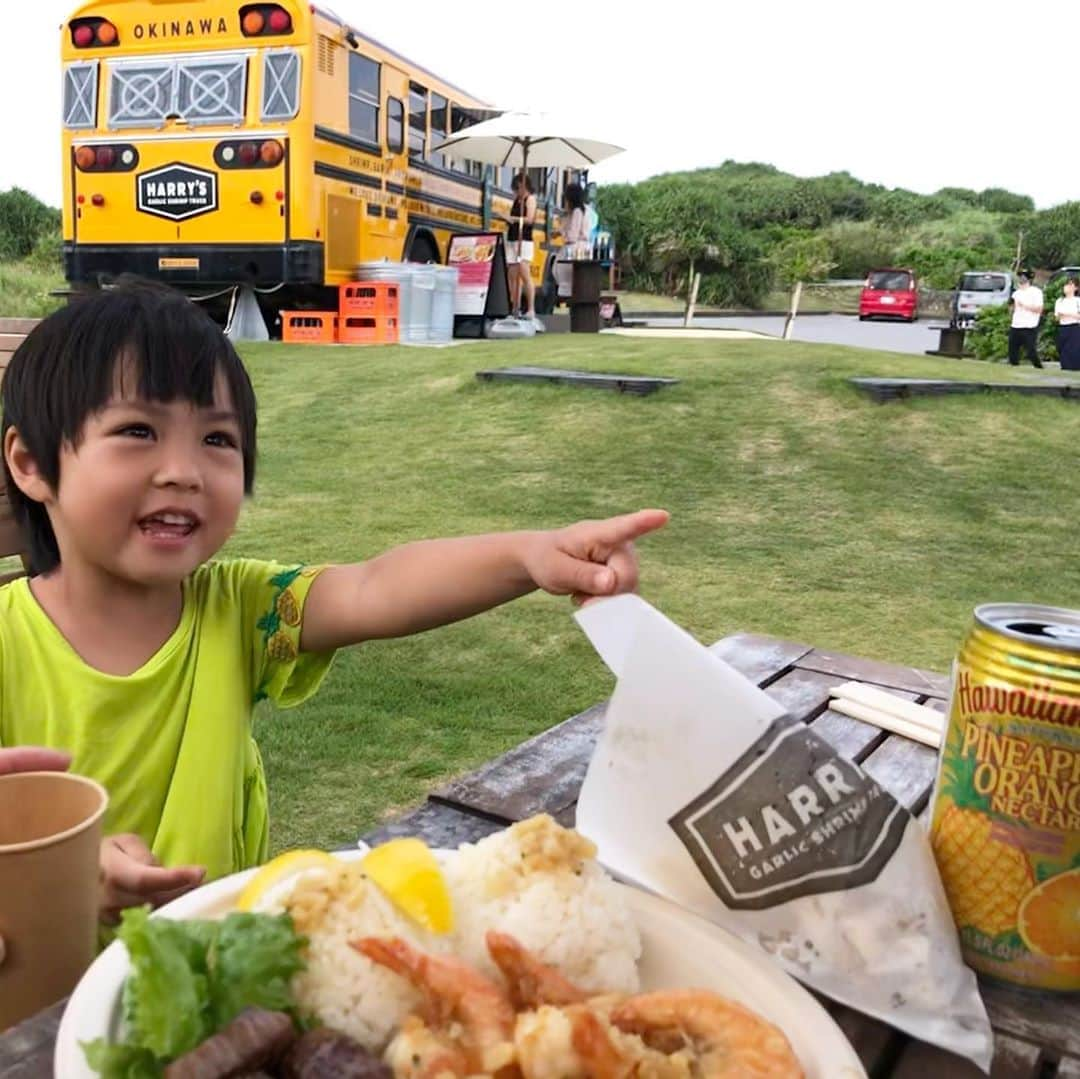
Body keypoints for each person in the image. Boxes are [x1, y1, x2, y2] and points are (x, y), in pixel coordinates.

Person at [0, 281, 667, 923]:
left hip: (213, 970)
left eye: (217, 439)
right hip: (43, 1002)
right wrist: (66, 866)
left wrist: (529, 555)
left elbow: (375, 586)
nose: (184, 470)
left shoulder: (241, 611)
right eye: (138, 431)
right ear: (31, 464)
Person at [505, 173, 543, 331]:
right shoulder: (516, 200)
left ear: (524, 186)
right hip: (513, 238)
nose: (517, 191)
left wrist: (513, 219)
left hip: (524, 240)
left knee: (524, 272)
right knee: (512, 274)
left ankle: (531, 309)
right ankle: (515, 307)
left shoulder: (530, 199)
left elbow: (529, 219)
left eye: (518, 188)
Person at [554, 182, 591, 300]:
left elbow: (572, 236)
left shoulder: (577, 212)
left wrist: (561, 233)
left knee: (568, 277)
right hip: (579, 247)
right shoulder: (578, 212)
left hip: (575, 249)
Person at [1008, 271, 1044, 368]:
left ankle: (1038, 367)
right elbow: (1012, 307)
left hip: (1030, 325)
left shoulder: (1036, 292)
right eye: (1020, 277)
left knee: (1030, 350)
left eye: (1024, 277)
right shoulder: (1016, 293)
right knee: (1012, 349)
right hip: (1016, 324)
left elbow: (1039, 309)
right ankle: (1014, 365)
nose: (1021, 279)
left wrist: (1024, 306)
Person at [1053, 276, 1080, 372]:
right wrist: (1061, 316)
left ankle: (1075, 367)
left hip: (1075, 328)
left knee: (1074, 349)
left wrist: (1067, 314)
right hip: (1063, 327)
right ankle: (1065, 366)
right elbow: (1057, 317)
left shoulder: (1077, 301)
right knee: (1063, 348)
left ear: (1076, 288)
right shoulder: (1059, 301)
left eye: (1070, 284)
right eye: (1066, 284)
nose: (1067, 287)